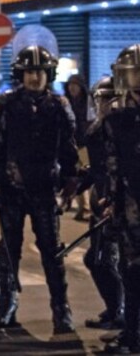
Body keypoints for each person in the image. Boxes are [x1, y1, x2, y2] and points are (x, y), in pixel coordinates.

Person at [0, 45, 78, 334]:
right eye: (29, 72)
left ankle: (61, 308)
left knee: (52, 251)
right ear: (20, 74)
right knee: (8, 251)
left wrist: (71, 181)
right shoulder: (5, 104)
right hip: (11, 189)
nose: (34, 77)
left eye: (39, 72)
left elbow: (69, 149)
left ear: (48, 74)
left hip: (45, 189)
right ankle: (8, 302)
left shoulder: (59, 106)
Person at [102, 44, 140, 354]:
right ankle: (131, 333)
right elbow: (112, 161)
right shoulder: (117, 113)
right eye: (134, 72)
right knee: (131, 271)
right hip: (130, 201)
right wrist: (112, 200)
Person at [82, 76, 125, 331]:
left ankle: (121, 313)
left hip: (119, 204)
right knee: (97, 259)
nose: (105, 104)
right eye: (102, 99)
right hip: (102, 203)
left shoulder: (126, 126)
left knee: (114, 261)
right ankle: (115, 309)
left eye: (110, 99)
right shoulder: (96, 130)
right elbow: (98, 168)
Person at [64, 74, 93, 221]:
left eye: (75, 85)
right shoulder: (66, 103)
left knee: (86, 173)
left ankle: (87, 207)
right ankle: (84, 206)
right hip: (72, 143)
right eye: (70, 85)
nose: (72, 88)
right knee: (76, 174)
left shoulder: (87, 102)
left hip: (84, 143)